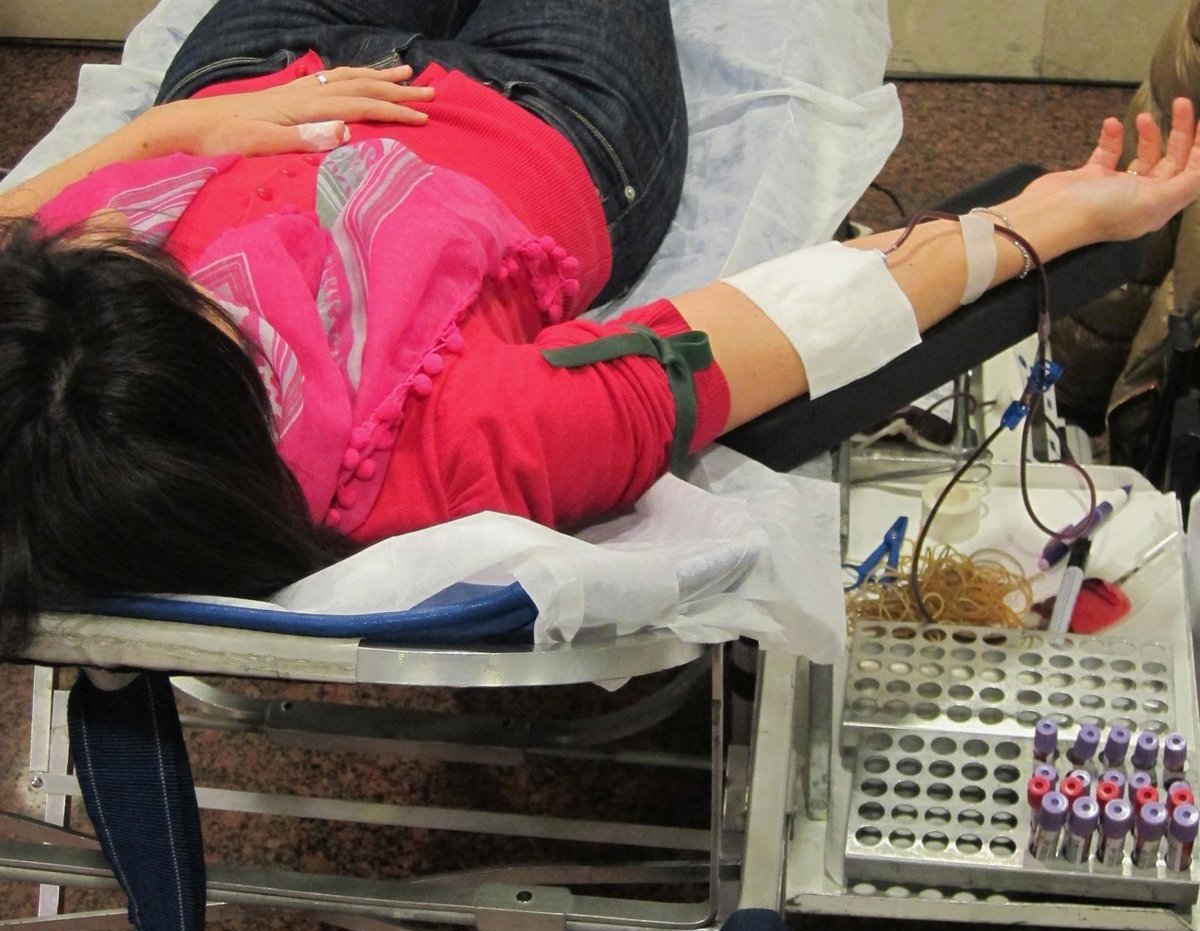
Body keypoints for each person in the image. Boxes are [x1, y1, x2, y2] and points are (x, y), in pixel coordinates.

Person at [1, 0, 1199, 664]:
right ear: (221, 381)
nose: (111, 223)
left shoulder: (34, 337)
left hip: (253, 74)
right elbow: (772, 323)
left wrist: (168, 140)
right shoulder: (449, 443)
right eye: (161, 267)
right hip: (537, 110)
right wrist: (1038, 224)